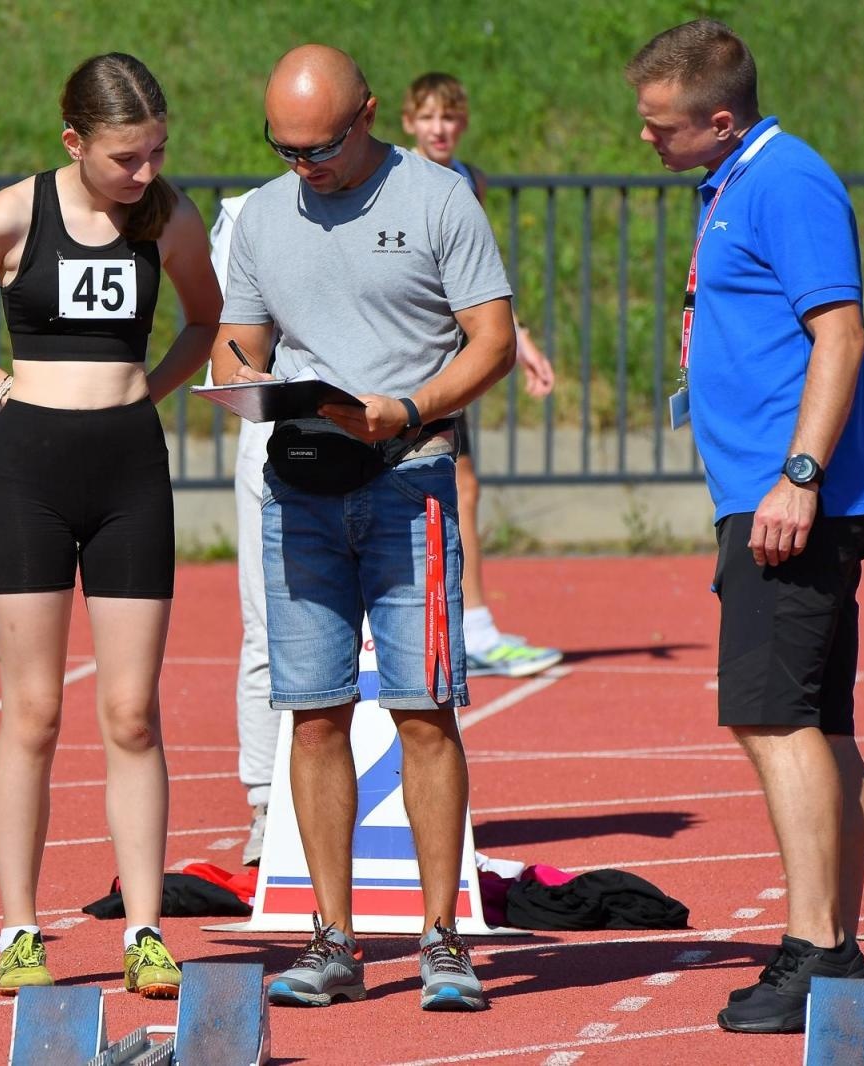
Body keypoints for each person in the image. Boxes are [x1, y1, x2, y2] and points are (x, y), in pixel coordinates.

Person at [0, 52, 222, 999]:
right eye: (126, 157)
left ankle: (145, 930)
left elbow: (205, 320)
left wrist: (148, 392)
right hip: (29, 471)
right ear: (73, 142)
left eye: (157, 152)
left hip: (129, 473)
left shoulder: (170, 217)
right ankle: (19, 928)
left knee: (132, 713)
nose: (145, 172)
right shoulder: (12, 215)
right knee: (32, 712)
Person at [211, 44, 516, 1011]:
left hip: (409, 480)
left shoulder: (438, 198)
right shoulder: (263, 215)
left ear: (369, 115)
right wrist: (243, 378)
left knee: (424, 711)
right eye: (286, 148)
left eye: (322, 147)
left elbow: (494, 341)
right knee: (313, 714)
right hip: (300, 491)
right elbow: (237, 342)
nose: (305, 165)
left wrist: (411, 407)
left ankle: (442, 940)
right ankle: (332, 939)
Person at [626, 19, 864, 1034]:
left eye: (661, 125)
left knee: (773, 719)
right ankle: (834, 949)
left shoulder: (785, 181)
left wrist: (798, 477)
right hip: (774, 495)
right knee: (818, 725)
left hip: (789, 500)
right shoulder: (736, 179)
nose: (646, 138)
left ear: (721, 120)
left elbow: (840, 334)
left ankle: (817, 950)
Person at [401, 72, 562, 679]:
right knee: (444, 487)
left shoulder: (470, 180)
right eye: (428, 117)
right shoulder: (398, 179)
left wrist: (521, 343)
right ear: (409, 122)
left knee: (457, 487)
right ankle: (461, 629)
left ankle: (463, 626)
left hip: (454, 358)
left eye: (449, 116)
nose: (439, 128)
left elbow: (477, 279)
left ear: (463, 123)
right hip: (412, 358)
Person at [205, 189, 275, 866]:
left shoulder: (411, 200)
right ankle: (267, 803)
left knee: (390, 637)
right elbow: (229, 358)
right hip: (279, 441)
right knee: (269, 627)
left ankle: (398, 803)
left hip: (384, 438)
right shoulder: (251, 213)